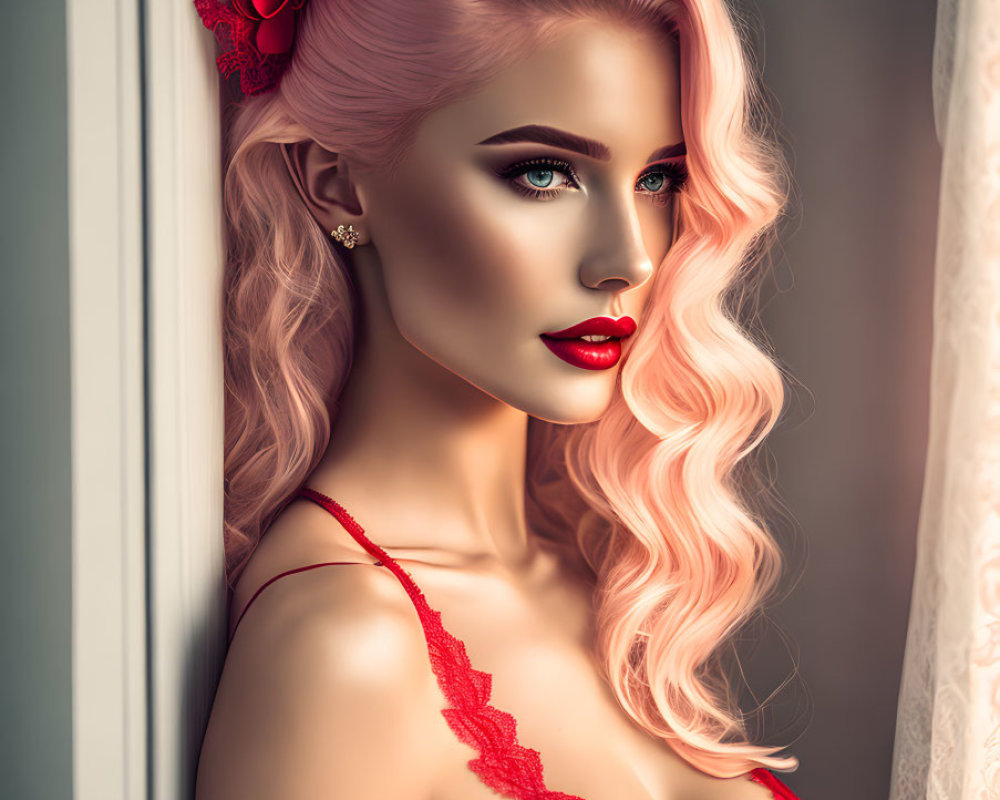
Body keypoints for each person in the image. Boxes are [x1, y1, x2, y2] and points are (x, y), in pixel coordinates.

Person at [193, 0, 803, 797]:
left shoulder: (606, 574)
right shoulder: (343, 643)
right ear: (336, 184)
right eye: (543, 174)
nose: (628, 260)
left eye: (658, 178)